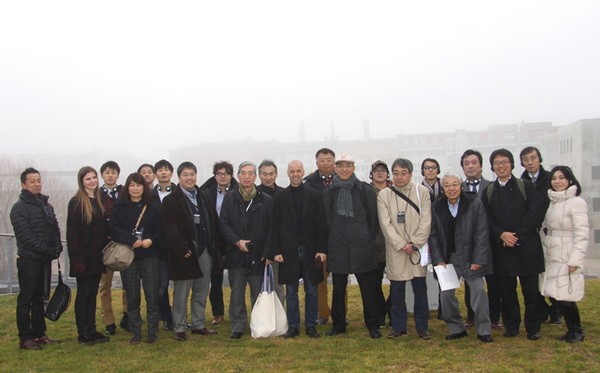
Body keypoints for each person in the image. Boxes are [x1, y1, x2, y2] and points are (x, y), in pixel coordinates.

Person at [482, 148, 546, 340]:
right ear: (492, 167)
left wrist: (517, 235)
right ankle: (511, 326)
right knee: (507, 291)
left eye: (504, 162)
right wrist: (501, 234)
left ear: (512, 164)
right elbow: (486, 219)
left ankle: (533, 327)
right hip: (502, 248)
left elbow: (536, 213)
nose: (500, 166)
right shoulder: (489, 191)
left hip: (527, 246)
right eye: (496, 163)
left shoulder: (525, 186)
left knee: (531, 290)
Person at [429, 171, 493, 343]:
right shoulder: (436, 206)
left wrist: (478, 259)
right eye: (447, 185)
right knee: (446, 295)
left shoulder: (474, 203)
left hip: (471, 257)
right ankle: (456, 328)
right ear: (443, 188)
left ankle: (484, 330)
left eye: (455, 184)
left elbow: (482, 232)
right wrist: (438, 259)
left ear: (461, 185)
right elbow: (433, 235)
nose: (451, 188)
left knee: (478, 292)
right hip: (449, 259)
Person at [323, 154, 382, 339]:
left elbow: (374, 220)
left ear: (354, 168)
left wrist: (366, 240)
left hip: (361, 247)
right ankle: (338, 325)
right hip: (338, 247)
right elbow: (326, 221)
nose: (344, 169)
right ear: (335, 169)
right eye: (340, 166)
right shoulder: (329, 192)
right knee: (338, 289)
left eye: (348, 166)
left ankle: (372, 325)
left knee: (368, 289)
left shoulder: (364, 190)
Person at [161, 162, 221, 341]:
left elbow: (213, 223)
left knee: (202, 290)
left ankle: (198, 324)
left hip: (205, 251)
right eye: (186, 174)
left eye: (192, 174)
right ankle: (179, 327)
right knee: (181, 292)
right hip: (184, 253)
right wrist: (182, 249)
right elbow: (169, 228)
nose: (190, 178)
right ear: (179, 177)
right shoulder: (171, 200)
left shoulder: (203, 196)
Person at [268, 160, 327, 339]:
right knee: (291, 292)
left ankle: (310, 326)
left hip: (311, 251)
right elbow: (274, 226)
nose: (295, 174)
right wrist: (276, 251)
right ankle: (293, 326)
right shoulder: (279, 197)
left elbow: (322, 225)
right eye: (292, 171)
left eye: (298, 171)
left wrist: (321, 249)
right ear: (287, 173)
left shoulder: (316, 196)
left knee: (311, 290)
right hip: (288, 251)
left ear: (303, 172)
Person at [377, 158, 432, 340]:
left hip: (417, 248)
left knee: (420, 289)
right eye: (396, 173)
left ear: (410, 174)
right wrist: (401, 244)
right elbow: (386, 224)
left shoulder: (422, 192)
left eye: (403, 173)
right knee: (397, 291)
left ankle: (422, 327)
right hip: (396, 250)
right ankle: (399, 326)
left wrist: (416, 243)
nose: (399, 177)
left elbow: (426, 220)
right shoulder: (384, 195)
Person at [220, 161, 273, 339]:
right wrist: (236, 241)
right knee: (236, 294)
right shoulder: (230, 198)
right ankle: (238, 326)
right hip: (236, 254)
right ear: (238, 176)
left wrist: (267, 252)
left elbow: (271, 228)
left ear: (255, 176)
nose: (247, 177)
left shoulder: (266, 200)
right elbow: (224, 223)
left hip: (258, 255)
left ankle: (258, 324)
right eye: (243, 173)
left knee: (258, 293)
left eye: (250, 173)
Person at [10, 167, 63, 350]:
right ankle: (25, 338)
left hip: (44, 260)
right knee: (26, 299)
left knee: (40, 298)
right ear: (24, 184)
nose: (37, 184)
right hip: (29, 260)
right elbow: (25, 237)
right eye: (32, 181)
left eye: (39, 180)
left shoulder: (46, 205)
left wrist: (57, 247)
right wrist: (48, 251)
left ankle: (40, 334)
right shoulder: (19, 208)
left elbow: (55, 228)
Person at [110, 173, 161, 344]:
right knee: (132, 296)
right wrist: (131, 240)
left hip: (150, 256)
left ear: (144, 187)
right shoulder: (120, 207)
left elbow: (162, 230)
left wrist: (150, 240)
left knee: (152, 296)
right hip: (128, 256)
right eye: (132, 185)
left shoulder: (153, 206)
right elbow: (113, 230)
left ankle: (152, 332)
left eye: (139, 185)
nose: (135, 189)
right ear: (127, 187)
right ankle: (136, 331)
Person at [540, 166, 588, 342]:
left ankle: (577, 330)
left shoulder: (576, 202)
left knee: (567, 294)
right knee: (557, 293)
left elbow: (582, 234)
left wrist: (575, 259)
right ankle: (570, 329)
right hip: (552, 252)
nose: (557, 181)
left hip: (567, 253)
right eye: (554, 178)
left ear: (570, 180)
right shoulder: (553, 201)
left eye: (561, 178)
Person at [66, 166, 111, 345]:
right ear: (82, 181)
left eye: (94, 178)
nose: (92, 181)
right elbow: (72, 234)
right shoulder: (77, 202)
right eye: (88, 179)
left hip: (96, 256)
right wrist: (76, 260)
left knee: (92, 294)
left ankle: (91, 329)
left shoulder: (98, 200)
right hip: (82, 258)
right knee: (83, 294)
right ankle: (82, 332)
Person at [460, 149, 502, 330]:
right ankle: (471, 316)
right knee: (471, 283)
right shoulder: (457, 188)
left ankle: (494, 317)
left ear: (481, 165)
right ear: (462, 167)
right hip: (468, 245)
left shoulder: (493, 187)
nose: (470, 166)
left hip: (492, 243)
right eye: (466, 163)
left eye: (474, 162)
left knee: (494, 282)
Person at [304, 147, 346, 326]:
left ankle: (341, 314)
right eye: (322, 160)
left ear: (334, 162)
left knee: (340, 278)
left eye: (329, 160)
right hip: (318, 239)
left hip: (339, 237)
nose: (326, 163)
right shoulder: (309, 183)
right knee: (320, 280)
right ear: (316, 163)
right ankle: (322, 313)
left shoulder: (344, 180)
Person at [519, 146, 560, 324]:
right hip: (531, 234)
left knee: (553, 275)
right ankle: (542, 311)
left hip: (551, 231)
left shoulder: (552, 178)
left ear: (539, 159)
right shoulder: (520, 181)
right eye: (526, 159)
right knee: (533, 279)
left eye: (533, 158)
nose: (530, 162)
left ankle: (557, 310)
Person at [200, 161, 238, 326]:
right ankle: (218, 312)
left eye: (226, 173)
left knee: (236, 278)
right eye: (219, 173)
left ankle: (236, 312)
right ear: (214, 175)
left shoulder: (239, 191)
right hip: (214, 239)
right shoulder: (206, 192)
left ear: (231, 175)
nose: (223, 176)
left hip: (234, 238)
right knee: (215, 277)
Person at [97, 160, 128, 335]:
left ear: (118, 174)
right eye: (107, 172)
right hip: (105, 245)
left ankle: (127, 314)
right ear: (102, 175)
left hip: (123, 244)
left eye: (114, 172)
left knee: (128, 284)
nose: (110, 175)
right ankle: (108, 320)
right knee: (105, 285)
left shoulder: (124, 192)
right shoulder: (97, 194)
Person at [151, 159, 177, 331]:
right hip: (158, 250)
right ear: (155, 174)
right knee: (161, 289)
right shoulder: (149, 196)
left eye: (166, 170)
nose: (163, 173)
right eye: (160, 170)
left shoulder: (179, 192)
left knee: (181, 288)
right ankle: (167, 317)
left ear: (171, 173)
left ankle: (179, 318)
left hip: (178, 248)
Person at [257, 159, 285, 305]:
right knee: (258, 287)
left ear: (276, 174)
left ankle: (280, 319)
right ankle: (262, 319)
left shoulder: (283, 193)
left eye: (271, 174)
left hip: (279, 248)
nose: (268, 177)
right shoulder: (254, 194)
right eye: (264, 174)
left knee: (278, 286)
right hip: (259, 247)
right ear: (259, 175)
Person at [369, 160, 392, 327]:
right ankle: (379, 312)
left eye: (383, 170)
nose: (380, 173)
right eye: (376, 171)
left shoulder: (394, 190)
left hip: (393, 243)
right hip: (374, 244)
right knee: (374, 283)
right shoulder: (367, 191)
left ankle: (391, 310)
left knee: (397, 282)